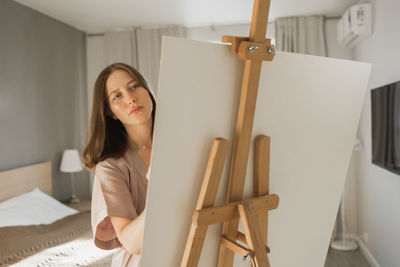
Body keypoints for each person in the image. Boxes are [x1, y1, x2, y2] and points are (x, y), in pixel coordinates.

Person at [82, 62, 156, 266]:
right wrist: (160, 194)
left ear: (146, 90)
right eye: (117, 96)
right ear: (111, 112)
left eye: (133, 86)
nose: (130, 98)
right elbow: (131, 243)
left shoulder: (180, 138)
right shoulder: (110, 166)